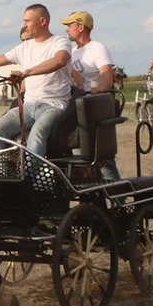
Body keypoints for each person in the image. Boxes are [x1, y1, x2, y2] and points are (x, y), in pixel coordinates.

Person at [0, 3, 73, 157]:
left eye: (27, 21)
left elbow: (59, 61)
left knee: (36, 136)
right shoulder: (24, 47)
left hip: (53, 105)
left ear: (42, 21)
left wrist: (26, 73)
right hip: (28, 106)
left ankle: (31, 178)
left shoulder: (60, 42)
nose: (24, 25)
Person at [61, 10, 120, 182]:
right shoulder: (71, 52)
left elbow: (107, 75)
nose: (66, 30)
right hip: (76, 105)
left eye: (70, 25)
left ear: (81, 27)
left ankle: (118, 198)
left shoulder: (97, 48)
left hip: (92, 107)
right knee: (79, 155)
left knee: (101, 158)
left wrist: (101, 87)